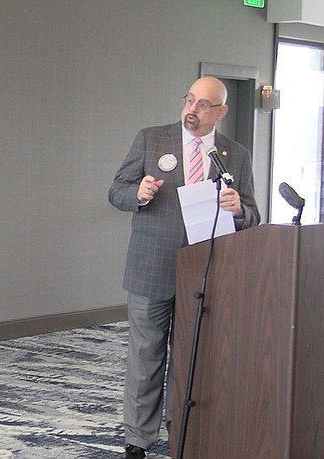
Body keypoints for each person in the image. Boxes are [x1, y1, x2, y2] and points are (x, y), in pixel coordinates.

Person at [108, 76, 260, 458]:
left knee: (191, 356)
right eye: (189, 100)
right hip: (151, 266)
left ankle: (184, 431)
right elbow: (116, 191)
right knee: (145, 355)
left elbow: (253, 215)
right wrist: (137, 194)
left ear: (220, 112)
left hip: (206, 272)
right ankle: (137, 439)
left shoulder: (234, 154)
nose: (192, 109)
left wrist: (239, 209)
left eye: (203, 104)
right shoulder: (150, 139)